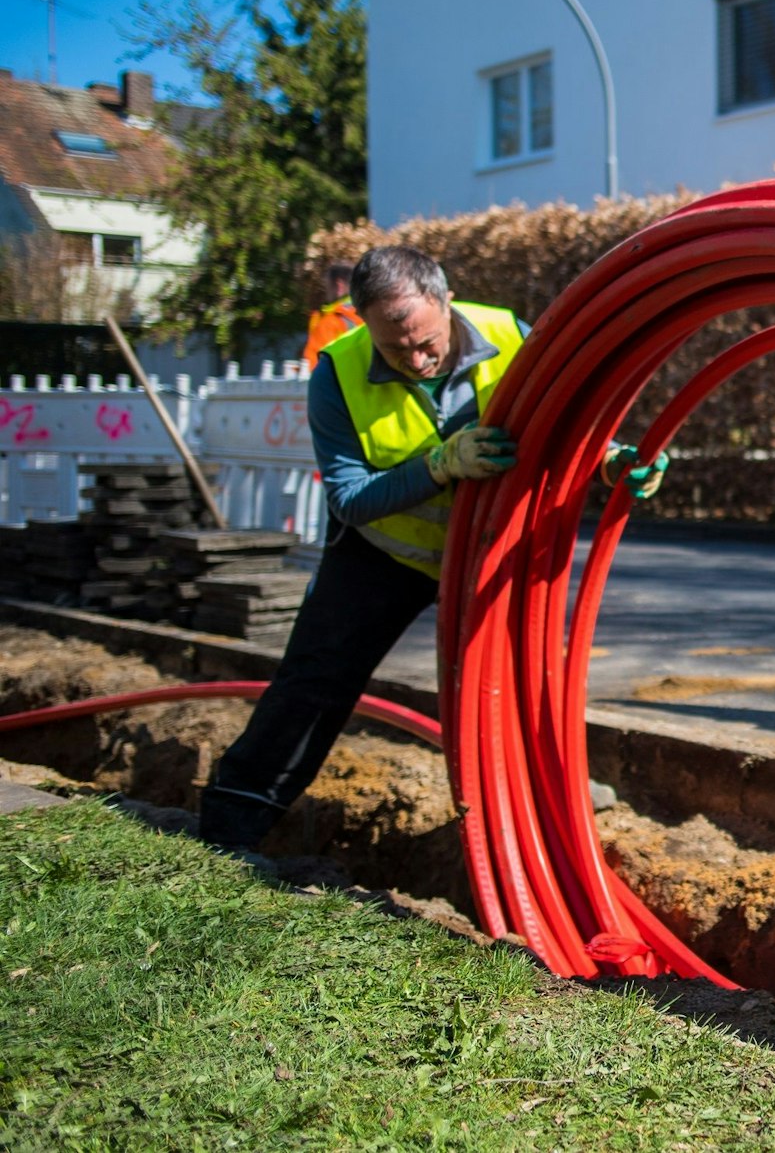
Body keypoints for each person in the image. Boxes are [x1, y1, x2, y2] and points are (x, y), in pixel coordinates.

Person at [198, 245, 669, 850]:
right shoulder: (336, 374)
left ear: (446, 301)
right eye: (397, 349)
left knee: (519, 681)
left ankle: (547, 802)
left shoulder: (511, 335)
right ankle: (232, 822)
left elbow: (564, 426)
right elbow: (349, 498)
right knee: (314, 684)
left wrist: (609, 462)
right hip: (382, 558)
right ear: (364, 321)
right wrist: (441, 465)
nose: (417, 360)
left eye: (427, 343)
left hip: (489, 553)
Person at [302, 263, 362, 369]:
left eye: (327, 286)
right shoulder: (368, 316)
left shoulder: (332, 321)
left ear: (339, 286)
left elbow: (316, 362)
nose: (326, 292)